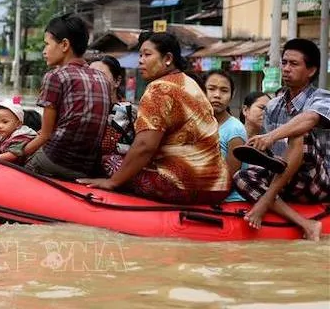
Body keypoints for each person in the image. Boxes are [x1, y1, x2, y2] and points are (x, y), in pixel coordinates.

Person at [78, 33, 230, 205]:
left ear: (168, 58)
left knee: (109, 160)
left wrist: (112, 182)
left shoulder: (159, 89)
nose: (140, 61)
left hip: (182, 186)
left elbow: (145, 146)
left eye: (147, 55)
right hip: (218, 186)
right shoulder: (190, 83)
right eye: (140, 55)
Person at [232, 38, 329, 241]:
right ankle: (306, 224)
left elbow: (309, 118)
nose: (286, 68)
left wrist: (271, 136)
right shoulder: (273, 106)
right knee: (242, 177)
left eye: (293, 64)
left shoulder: (323, 98)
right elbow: (274, 158)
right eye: (284, 63)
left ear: (311, 71)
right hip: (286, 179)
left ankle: (266, 200)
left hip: (318, 182)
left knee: (299, 132)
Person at [23, 13, 111, 180]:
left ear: (64, 45)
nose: (43, 51)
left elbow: (45, 135)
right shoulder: (102, 78)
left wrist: (14, 154)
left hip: (54, 160)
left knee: (16, 167)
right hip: (87, 168)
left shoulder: (55, 76)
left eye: (46, 45)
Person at [89, 55, 138, 176]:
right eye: (89, 76)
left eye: (100, 75)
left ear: (117, 81)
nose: (93, 81)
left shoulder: (125, 110)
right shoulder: (86, 109)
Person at [204, 70, 247, 202]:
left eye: (224, 90)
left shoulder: (235, 129)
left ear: (232, 95)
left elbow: (227, 180)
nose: (217, 95)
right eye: (211, 89)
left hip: (227, 201)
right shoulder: (196, 123)